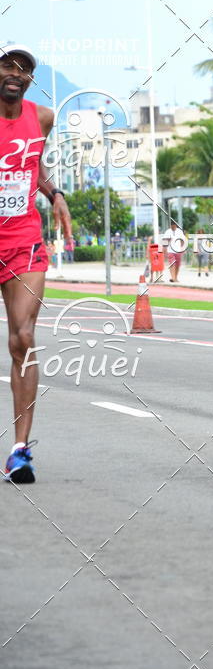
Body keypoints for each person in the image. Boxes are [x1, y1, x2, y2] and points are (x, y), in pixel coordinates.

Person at [0, 44, 72, 483]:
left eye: (24, 69)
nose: (15, 73)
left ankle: (20, 450)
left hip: (23, 240)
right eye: (8, 65)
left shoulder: (41, 118)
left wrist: (54, 193)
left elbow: (33, 167)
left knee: (23, 338)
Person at [162, 218, 186, 283]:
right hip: (170, 251)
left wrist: (183, 249)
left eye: (174, 225)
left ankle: (176, 278)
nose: (173, 227)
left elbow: (183, 240)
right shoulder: (167, 232)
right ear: (170, 226)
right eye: (171, 225)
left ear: (176, 225)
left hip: (178, 251)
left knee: (177, 265)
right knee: (172, 264)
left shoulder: (180, 231)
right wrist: (164, 252)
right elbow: (164, 242)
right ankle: (172, 278)